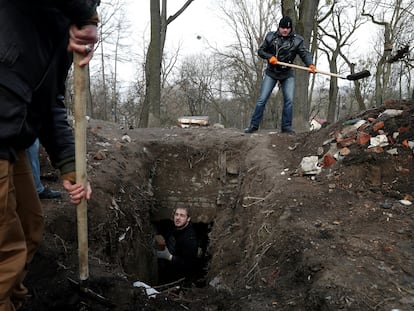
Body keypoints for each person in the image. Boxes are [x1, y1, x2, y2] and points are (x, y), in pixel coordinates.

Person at [0, 2, 99, 310]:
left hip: (11, 140)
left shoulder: (59, 34)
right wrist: (86, 17)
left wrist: (70, 166)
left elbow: (50, 103)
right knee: (6, 250)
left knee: (30, 226)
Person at [244, 16, 316, 134]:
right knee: (262, 99)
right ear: (279, 27)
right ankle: (253, 125)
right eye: (283, 27)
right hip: (271, 72)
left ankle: (286, 127)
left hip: (287, 73)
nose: (285, 30)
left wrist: (310, 64)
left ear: (290, 28)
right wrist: (269, 57)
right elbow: (261, 51)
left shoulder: (297, 40)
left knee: (289, 100)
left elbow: (305, 54)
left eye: (287, 28)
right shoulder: (271, 37)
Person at [155, 207, 199, 287]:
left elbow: (189, 264)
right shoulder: (173, 227)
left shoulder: (190, 239)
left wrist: (169, 257)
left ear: (188, 219)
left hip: (181, 279)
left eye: (182, 215)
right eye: (176, 214)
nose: (178, 218)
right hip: (167, 271)